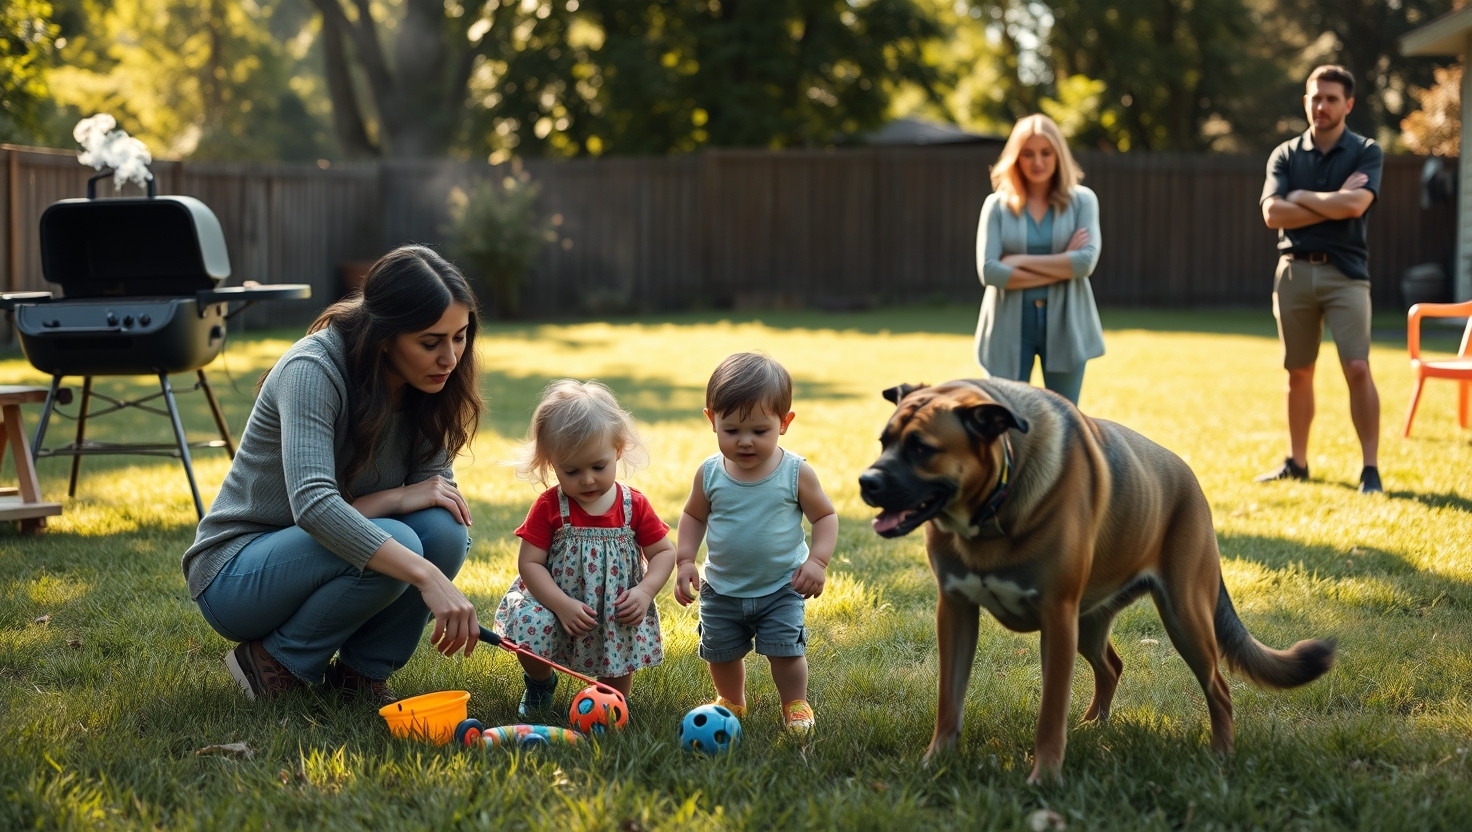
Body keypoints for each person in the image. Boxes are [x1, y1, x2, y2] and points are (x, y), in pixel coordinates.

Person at [181, 244, 483, 705]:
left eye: (459, 337)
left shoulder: (432, 386)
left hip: (319, 550)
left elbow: (437, 494)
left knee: (444, 528)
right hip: (238, 573)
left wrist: (402, 513)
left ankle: (361, 675)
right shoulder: (313, 368)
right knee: (400, 544)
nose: (450, 358)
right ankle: (273, 662)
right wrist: (426, 574)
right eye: (430, 342)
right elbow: (314, 507)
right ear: (385, 336)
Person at [673, 352, 838, 733]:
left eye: (760, 432)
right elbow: (693, 516)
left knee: (786, 651)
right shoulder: (709, 473)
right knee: (721, 652)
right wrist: (685, 560)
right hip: (722, 587)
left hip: (781, 586)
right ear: (712, 420)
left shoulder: (795, 472)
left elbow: (825, 516)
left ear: (784, 423)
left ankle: (795, 704)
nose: (745, 442)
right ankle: (732, 701)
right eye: (731, 431)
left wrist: (817, 562)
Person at [492, 379, 675, 714]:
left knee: (618, 643)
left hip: (614, 606)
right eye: (572, 470)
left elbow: (664, 552)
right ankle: (540, 683)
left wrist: (645, 591)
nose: (587, 479)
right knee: (532, 626)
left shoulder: (633, 505)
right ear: (552, 463)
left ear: (618, 450)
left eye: (598, 467)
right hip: (556, 601)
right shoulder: (550, 506)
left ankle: (611, 702)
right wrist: (560, 605)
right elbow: (530, 563)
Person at [1257, 64, 1384, 494]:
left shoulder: (1366, 151)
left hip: (1347, 274)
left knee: (1358, 367)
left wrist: (1301, 197)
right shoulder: (1285, 154)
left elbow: (1356, 206)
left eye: (1331, 99)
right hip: (1293, 271)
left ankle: (1370, 469)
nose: (1322, 106)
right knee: (1298, 372)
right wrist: (1335, 201)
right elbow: (1272, 213)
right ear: (1305, 101)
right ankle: (1297, 462)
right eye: (1315, 97)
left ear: (1348, 104)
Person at [974, 113, 1104, 407]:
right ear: (1015, 158)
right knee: (1005, 417)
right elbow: (990, 272)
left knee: (1065, 418)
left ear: (1058, 155)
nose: (1038, 162)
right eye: (1028, 154)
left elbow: (1084, 263)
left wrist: (1017, 260)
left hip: (1067, 322)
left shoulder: (1083, 201)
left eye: (1046, 153)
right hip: (1007, 323)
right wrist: (1063, 264)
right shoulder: (996, 206)